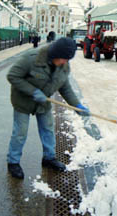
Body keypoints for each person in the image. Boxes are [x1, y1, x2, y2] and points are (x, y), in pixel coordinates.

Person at [7, 37, 90, 179]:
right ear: (54, 54)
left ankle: (49, 158)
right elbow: (13, 76)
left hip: (43, 102)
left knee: (48, 130)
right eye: (63, 58)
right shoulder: (31, 58)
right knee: (20, 133)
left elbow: (65, 86)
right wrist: (32, 91)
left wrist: (76, 105)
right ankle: (13, 162)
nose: (65, 62)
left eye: (67, 59)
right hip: (23, 101)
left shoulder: (64, 65)